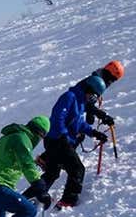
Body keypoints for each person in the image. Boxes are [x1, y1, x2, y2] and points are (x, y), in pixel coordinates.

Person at [32, 76, 109, 209]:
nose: (92, 99)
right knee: (77, 168)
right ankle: (68, 200)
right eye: (93, 96)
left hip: (60, 140)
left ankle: (29, 196)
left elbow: (78, 123)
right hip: (57, 139)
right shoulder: (70, 97)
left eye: (95, 98)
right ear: (87, 89)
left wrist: (94, 133)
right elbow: (57, 118)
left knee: (52, 172)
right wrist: (64, 136)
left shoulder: (80, 102)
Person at [84, 60, 123, 126]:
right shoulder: (94, 84)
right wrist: (102, 115)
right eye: (112, 78)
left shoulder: (100, 80)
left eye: (114, 80)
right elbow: (85, 103)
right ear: (108, 74)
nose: (111, 82)